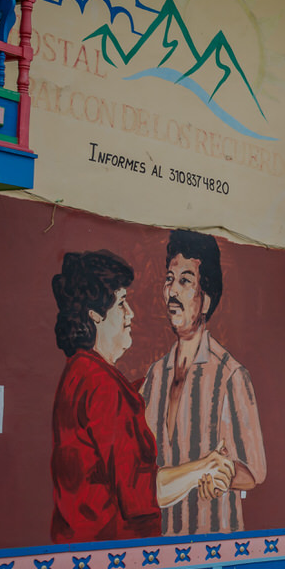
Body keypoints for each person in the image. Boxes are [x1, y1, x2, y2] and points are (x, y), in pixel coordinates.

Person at [49, 250, 193, 543]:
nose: (131, 315)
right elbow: (139, 493)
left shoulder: (81, 372)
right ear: (95, 315)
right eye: (122, 304)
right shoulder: (101, 385)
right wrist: (204, 467)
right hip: (112, 555)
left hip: (81, 546)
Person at [141, 230, 267, 535]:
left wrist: (224, 475)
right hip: (157, 544)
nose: (172, 291)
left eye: (185, 281)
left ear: (206, 298)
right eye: (169, 279)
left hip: (212, 545)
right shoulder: (155, 376)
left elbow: (255, 470)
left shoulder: (230, 375)